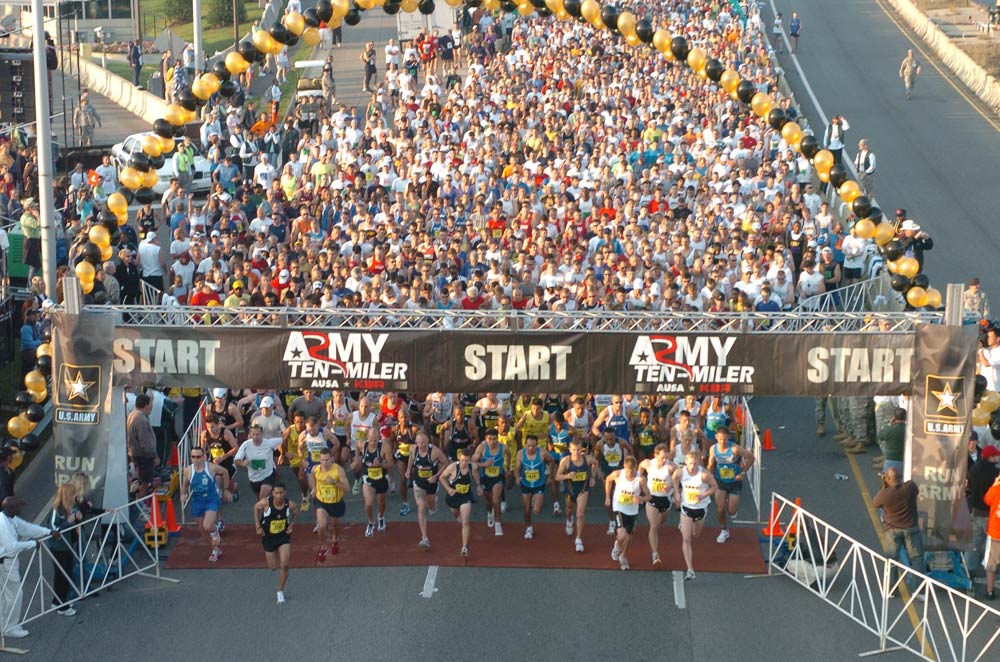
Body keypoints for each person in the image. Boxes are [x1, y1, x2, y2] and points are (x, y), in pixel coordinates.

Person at [0, 496, 59, 638]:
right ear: (11, 508)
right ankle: (10, 627)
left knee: (5, 596)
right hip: (6, 562)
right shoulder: (4, 523)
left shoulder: (10, 518)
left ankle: (4, 624)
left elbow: (27, 528)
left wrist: (48, 532)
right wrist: (32, 544)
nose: (21, 509)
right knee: (14, 595)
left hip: (6, 561)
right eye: (19, 506)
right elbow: (11, 547)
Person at [872, 467, 925, 595]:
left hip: (892, 530)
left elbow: (875, 503)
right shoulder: (910, 487)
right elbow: (915, 489)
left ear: (888, 479)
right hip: (911, 528)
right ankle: (919, 591)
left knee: (892, 559)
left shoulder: (885, 494)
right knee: (916, 559)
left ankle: (891, 589)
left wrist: (884, 485)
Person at [180, 446, 231, 563]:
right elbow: (185, 484)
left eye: (198, 457)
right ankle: (215, 550)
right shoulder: (188, 470)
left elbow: (225, 472)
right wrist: (183, 494)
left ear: (203, 457)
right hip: (197, 502)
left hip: (211, 500)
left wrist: (226, 489)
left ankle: (215, 529)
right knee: (203, 531)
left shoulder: (210, 467)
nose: (196, 459)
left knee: (207, 526)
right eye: (193, 457)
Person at [672, 451, 718, 580]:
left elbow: (715, 486)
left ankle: (687, 526)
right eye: (690, 464)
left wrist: (704, 495)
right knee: (686, 539)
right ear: (686, 462)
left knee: (696, 534)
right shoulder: (681, 472)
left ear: (698, 462)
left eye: (695, 464)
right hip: (686, 508)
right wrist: (676, 492)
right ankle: (690, 569)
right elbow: (674, 478)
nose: (692, 467)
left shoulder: (704, 475)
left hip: (701, 508)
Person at [706, 426, 754, 544]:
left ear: (728, 438)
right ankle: (724, 530)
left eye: (725, 439)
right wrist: (710, 472)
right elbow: (710, 463)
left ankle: (731, 506)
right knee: (720, 508)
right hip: (720, 481)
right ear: (716, 437)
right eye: (721, 439)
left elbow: (751, 458)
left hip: (734, 482)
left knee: (731, 512)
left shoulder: (735, 449)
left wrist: (743, 472)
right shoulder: (713, 448)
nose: (723, 442)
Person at [253, 482, 296, 605]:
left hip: (283, 537)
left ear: (285, 492)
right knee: (273, 567)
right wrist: (257, 525)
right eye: (276, 493)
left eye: (281, 493)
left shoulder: (289, 504)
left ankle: (280, 592)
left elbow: (295, 512)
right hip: (268, 538)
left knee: (285, 563)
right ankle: (275, 555)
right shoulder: (266, 503)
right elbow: (255, 507)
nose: (278, 495)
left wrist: (291, 524)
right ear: (272, 493)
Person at [555, 440, 600, 553]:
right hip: (570, 489)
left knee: (580, 514)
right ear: (570, 450)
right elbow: (557, 477)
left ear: (582, 450)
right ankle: (569, 519)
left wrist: (593, 477)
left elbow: (595, 463)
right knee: (569, 509)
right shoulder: (565, 461)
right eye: (574, 450)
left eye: (579, 450)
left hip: (583, 489)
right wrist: (568, 476)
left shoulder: (587, 459)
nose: (576, 452)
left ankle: (578, 538)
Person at [606, 456, 650, 571]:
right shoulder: (617, 474)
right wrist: (607, 497)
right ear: (624, 467)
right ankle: (617, 545)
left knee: (629, 537)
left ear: (636, 468)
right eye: (628, 471)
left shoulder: (641, 479)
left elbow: (649, 496)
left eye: (633, 471)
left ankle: (623, 556)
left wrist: (640, 499)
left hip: (632, 511)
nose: (630, 474)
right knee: (622, 535)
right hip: (619, 508)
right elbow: (608, 480)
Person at [407, 431, 447, 548]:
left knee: (431, 505)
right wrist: (408, 470)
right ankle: (424, 538)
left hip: (431, 482)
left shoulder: (434, 451)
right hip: (418, 482)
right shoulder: (413, 449)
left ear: (427, 442)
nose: (421, 445)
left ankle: (433, 504)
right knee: (421, 507)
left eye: (423, 442)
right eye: (418, 442)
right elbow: (410, 457)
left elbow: (445, 462)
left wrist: (436, 476)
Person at [309, 448, 349, 562]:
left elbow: (347, 488)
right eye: (322, 460)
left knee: (336, 526)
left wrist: (334, 482)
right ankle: (323, 547)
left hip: (336, 502)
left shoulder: (338, 470)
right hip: (321, 502)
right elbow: (312, 477)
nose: (324, 463)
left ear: (332, 458)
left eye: (327, 460)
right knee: (322, 526)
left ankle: (335, 540)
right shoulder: (316, 469)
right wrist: (314, 489)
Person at [48, 483, 81, 616]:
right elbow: (53, 528)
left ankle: (58, 601)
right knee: (62, 574)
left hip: (67, 544)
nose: (75, 496)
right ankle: (62, 605)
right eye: (73, 494)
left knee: (66, 572)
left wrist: (78, 515)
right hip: (59, 547)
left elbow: (77, 514)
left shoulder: (71, 505)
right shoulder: (57, 509)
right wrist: (68, 522)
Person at [967, 445, 1000, 579]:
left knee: (973, 544)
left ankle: (969, 570)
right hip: (990, 515)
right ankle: (993, 574)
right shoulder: (995, 473)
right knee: (993, 547)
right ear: (991, 457)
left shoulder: (973, 469)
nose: (998, 457)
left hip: (975, 511)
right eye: (996, 455)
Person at [353, 428, 392, 538]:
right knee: (369, 503)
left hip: (381, 478)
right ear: (367, 439)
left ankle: (381, 516)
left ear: (379, 438)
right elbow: (356, 445)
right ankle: (370, 522)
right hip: (368, 478)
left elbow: (390, 464)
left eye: (375, 440)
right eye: (371, 440)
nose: (373, 443)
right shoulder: (362, 444)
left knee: (381, 502)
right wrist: (357, 459)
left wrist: (381, 464)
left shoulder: (385, 447)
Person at [641, 443, 675, 565]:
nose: (665, 460)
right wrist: (642, 484)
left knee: (661, 521)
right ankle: (655, 554)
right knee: (654, 526)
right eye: (662, 457)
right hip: (652, 498)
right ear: (655, 455)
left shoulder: (671, 467)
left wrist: (670, 485)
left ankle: (654, 533)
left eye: (666, 457)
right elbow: (639, 472)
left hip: (665, 499)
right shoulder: (648, 464)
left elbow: (678, 480)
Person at [441, 446, 478, 557]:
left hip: (465, 496)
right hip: (453, 496)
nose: (464, 463)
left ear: (470, 460)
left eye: (466, 461)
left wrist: (479, 486)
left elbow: (476, 477)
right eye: (462, 460)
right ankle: (458, 517)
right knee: (456, 514)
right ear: (459, 458)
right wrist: (448, 489)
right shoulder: (453, 467)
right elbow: (442, 477)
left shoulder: (473, 467)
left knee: (465, 522)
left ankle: (464, 547)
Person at [516, 434, 553, 540]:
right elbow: (517, 468)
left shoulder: (542, 453)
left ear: (537, 445)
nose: (531, 448)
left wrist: (550, 476)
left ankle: (535, 501)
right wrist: (517, 477)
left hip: (539, 484)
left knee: (536, 510)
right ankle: (528, 527)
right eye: (528, 446)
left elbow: (551, 461)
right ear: (525, 445)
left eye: (533, 446)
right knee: (527, 510)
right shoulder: (520, 454)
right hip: (526, 484)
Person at [471, 427, 506, 536]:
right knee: (489, 502)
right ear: (486, 439)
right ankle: (489, 512)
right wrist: (484, 464)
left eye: (494, 439)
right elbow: (472, 463)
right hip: (485, 477)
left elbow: (509, 455)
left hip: (498, 477)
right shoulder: (481, 448)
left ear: (497, 438)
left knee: (496, 500)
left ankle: (498, 523)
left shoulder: (503, 448)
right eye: (489, 439)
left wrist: (508, 468)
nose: (492, 442)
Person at [234, 423, 283, 501]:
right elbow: (236, 460)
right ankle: (267, 510)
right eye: (253, 434)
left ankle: (272, 508)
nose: (255, 437)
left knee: (262, 496)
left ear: (262, 434)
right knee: (260, 500)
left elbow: (283, 439)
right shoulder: (246, 445)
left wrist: (283, 453)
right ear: (250, 434)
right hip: (254, 478)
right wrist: (242, 463)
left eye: (258, 434)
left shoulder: (269, 443)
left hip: (268, 475)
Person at [596, 427, 629, 535]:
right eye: (608, 439)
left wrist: (628, 467)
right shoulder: (600, 445)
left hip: (619, 470)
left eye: (612, 439)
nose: (610, 441)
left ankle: (622, 520)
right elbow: (596, 459)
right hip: (607, 471)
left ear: (615, 436)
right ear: (604, 437)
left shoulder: (621, 443)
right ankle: (611, 521)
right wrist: (597, 472)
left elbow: (631, 452)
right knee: (608, 498)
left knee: (619, 496)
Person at [126, 394, 159, 499]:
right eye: (150, 404)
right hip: (143, 457)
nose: (151, 407)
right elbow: (146, 442)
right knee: (144, 484)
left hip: (134, 454)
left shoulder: (132, 415)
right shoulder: (141, 420)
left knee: (138, 483)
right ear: (146, 405)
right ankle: (140, 506)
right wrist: (154, 456)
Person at [984, 471, 1000, 599]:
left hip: (995, 532)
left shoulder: (996, 490)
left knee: (991, 564)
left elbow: (987, 499)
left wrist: (995, 484)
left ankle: (990, 591)